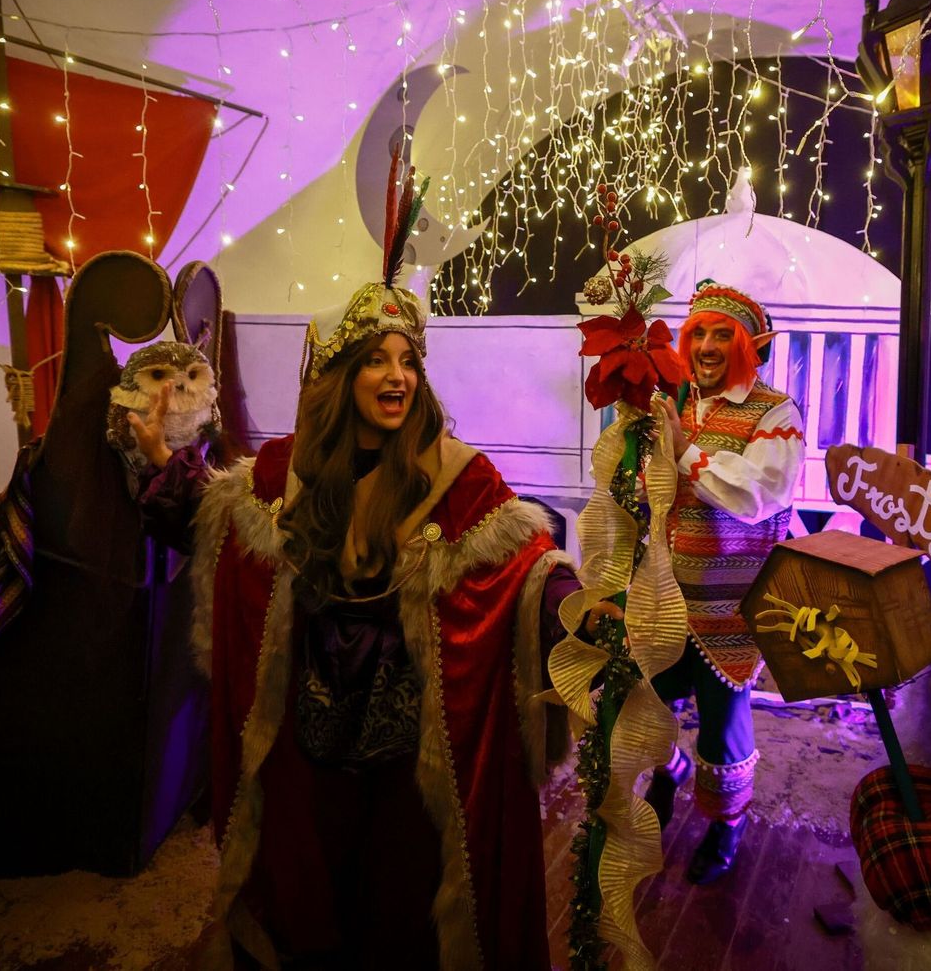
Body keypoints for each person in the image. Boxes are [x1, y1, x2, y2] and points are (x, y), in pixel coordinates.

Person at [130, 268, 614, 969]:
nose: (398, 377)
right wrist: (160, 467)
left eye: (409, 360)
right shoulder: (285, 471)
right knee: (313, 895)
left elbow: (530, 567)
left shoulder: (459, 477)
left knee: (403, 903)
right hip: (308, 737)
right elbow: (220, 529)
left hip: (408, 747)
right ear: (341, 377)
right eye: (377, 360)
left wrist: (581, 611)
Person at [648, 279, 806, 884]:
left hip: (731, 609)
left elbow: (761, 495)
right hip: (665, 597)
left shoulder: (775, 411)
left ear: (748, 345)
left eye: (722, 334)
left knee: (723, 728)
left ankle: (726, 825)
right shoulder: (678, 403)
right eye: (698, 334)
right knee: (644, 699)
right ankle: (669, 772)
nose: (707, 346)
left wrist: (686, 453)